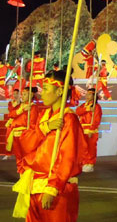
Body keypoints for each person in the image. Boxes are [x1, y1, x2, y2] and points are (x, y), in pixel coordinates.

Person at [12, 71, 85, 221]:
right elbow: (27, 145)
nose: (42, 93)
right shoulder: (44, 116)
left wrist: (53, 188)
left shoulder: (68, 119)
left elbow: (68, 158)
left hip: (56, 189)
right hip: (34, 184)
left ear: (59, 91)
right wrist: (45, 128)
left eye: (45, 89)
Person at [6, 87, 40, 173]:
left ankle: (26, 175)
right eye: (22, 94)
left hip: (24, 134)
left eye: (25, 94)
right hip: (15, 134)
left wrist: (29, 136)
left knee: (26, 157)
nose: (22, 96)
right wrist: (21, 110)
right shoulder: (20, 106)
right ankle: (20, 173)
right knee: (18, 157)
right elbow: (10, 114)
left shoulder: (33, 107)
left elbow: (33, 123)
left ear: (31, 95)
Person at [76, 87, 102, 172]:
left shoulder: (97, 107)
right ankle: (83, 162)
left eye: (89, 94)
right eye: (87, 94)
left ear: (94, 96)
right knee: (83, 147)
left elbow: (97, 120)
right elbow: (78, 112)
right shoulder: (84, 105)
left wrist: (91, 129)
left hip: (91, 129)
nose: (87, 96)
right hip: (82, 129)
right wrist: (87, 109)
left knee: (90, 148)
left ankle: (90, 163)